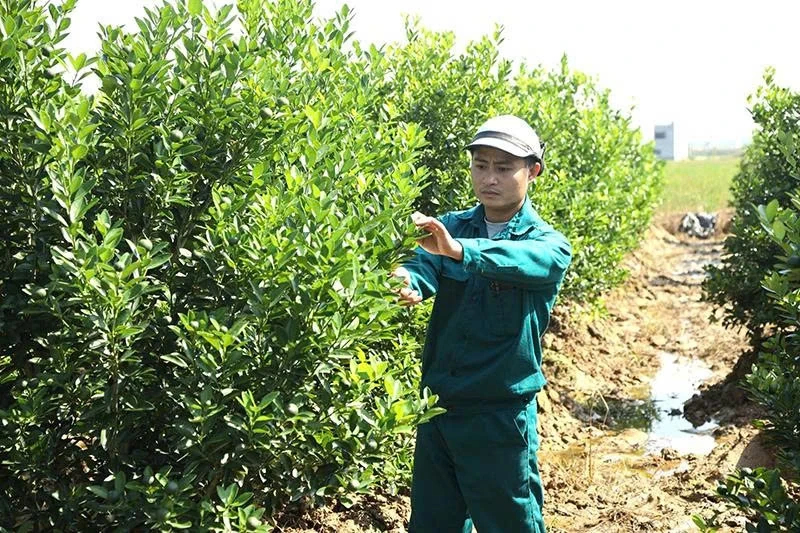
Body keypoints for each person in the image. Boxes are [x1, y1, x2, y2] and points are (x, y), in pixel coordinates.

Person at [392, 115, 572, 533]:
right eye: (481, 165)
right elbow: (422, 266)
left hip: (499, 415)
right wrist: (407, 281)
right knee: (433, 523)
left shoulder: (547, 244)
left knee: (509, 522)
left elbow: (532, 262)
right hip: (438, 406)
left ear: (533, 171)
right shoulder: (451, 226)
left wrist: (461, 252)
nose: (489, 178)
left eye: (504, 168)